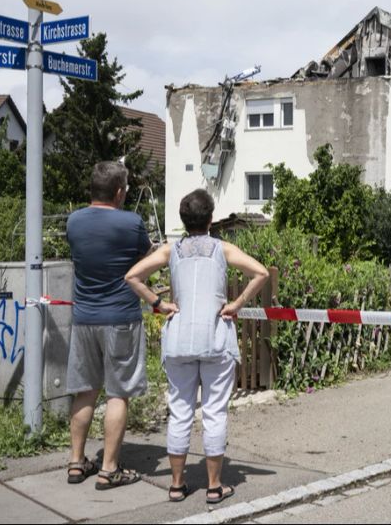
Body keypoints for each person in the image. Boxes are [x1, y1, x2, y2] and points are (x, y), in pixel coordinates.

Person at [125, 189, 269, 503]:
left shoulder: (170, 250)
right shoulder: (222, 248)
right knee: (214, 412)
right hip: (215, 336)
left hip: (179, 339)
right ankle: (214, 486)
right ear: (211, 218)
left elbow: (133, 276)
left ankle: (177, 484)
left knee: (180, 412)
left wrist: (158, 303)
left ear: (183, 218)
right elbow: (261, 272)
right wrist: (237, 303)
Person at [65, 161, 154, 490]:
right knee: (117, 393)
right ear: (119, 192)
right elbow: (147, 261)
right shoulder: (131, 223)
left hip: (84, 317)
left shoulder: (73, 221)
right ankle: (109, 469)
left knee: (85, 390)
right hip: (120, 318)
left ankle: (76, 463)